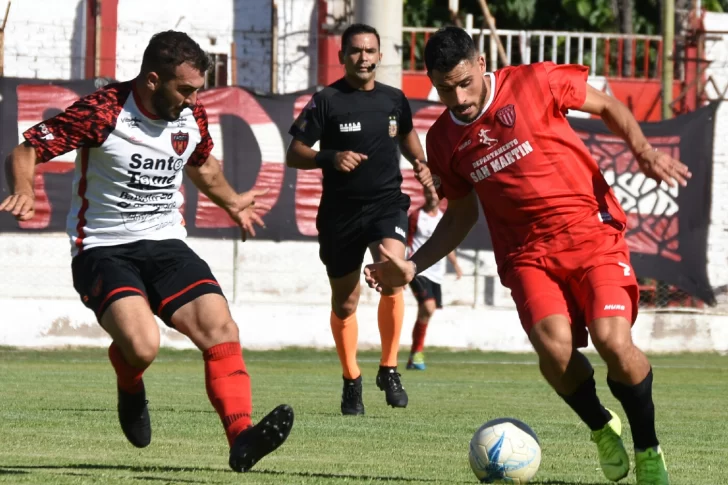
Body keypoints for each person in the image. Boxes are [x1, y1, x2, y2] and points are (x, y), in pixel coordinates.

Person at [364, 26, 683, 484]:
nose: (458, 97)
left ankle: (648, 446)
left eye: (464, 82)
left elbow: (609, 105)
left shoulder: (535, 81)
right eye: (445, 88)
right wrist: (413, 265)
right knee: (554, 350)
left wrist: (644, 150)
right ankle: (600, 425)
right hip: (527, 254)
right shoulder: (442, 141)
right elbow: (459, 216)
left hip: (590, 233)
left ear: (479, 64)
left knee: (613, 340)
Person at [0, 31, 294, 473]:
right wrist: (22, 190)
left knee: (220, 326)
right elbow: (26, 150)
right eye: (186, 89)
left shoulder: (191, 113)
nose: (194, 99)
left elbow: (201, 163)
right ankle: (129, 378)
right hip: (102, 247)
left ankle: (242, 438)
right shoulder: (103, 111)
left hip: (165, 242)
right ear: (153, 80)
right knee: (142, 347)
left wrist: (232, 201)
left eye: (198, 90)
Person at [285, 23, 433, 415]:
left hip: (387, 205)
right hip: (340, 213)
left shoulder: (395, 100)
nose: (363, 57)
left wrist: (421, 163)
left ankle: (389, 367)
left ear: (380, 56)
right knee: (346, 303)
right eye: (355, 51)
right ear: (343, 56)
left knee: (395, 274)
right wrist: (329, 157)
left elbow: (406, 134)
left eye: (370, 51)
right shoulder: (327, 100)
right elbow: (294, 151)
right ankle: (352, 380)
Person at [405, 185, 462, 370]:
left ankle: (415, 356)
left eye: (434, 192)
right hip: (418, 270)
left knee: (426, 313)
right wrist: (402, 270)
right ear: (424, 194)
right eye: (428, 192)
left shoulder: (442, 217)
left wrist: (455, 265)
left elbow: (447, 243)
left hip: (436, 273)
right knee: (428, 308)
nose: (432, 195)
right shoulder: (416, 216)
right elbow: (406, 243)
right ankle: (416, 354)